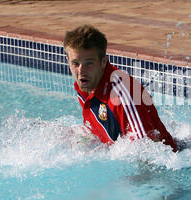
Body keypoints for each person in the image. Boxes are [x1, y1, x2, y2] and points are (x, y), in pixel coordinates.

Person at [64, 24, 178, 152]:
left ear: (103, 62)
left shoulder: (123, 95)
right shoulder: (85, 84)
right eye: (75, 63)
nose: (81, 71)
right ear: (68, 60)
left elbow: (147, 149)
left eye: (89, 63)